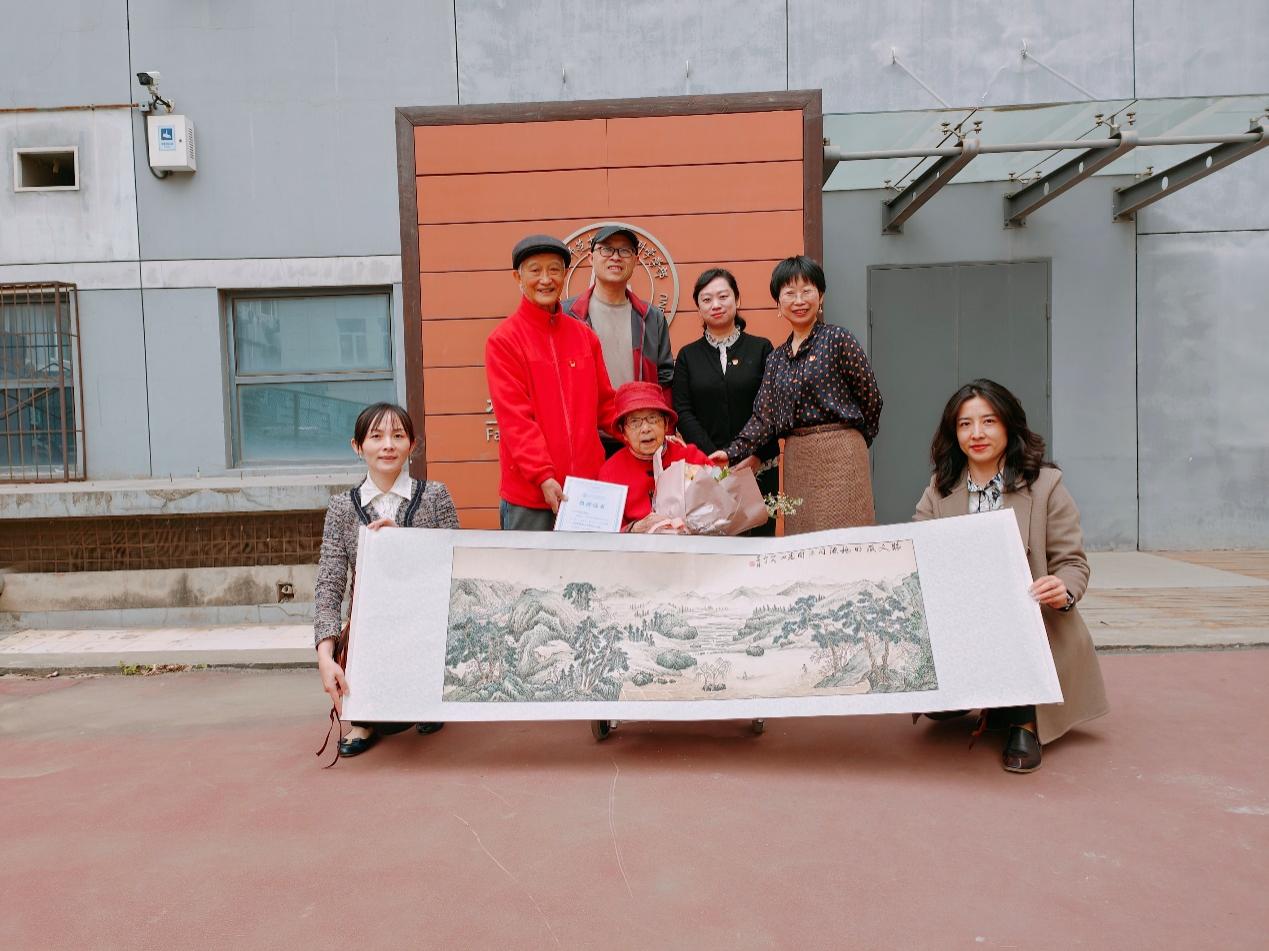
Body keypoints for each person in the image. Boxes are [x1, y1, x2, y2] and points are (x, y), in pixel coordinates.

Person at [913, 379, 1109, 773]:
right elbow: (918, 553)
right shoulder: (940, 489)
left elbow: (1073, 563)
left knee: (1013, 613)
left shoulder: (1047, 485)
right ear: (954, 433)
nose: (977, 433)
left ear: (1009, 426)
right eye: (965, 424)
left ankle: (1023, 721)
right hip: (966, 617)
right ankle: (987, 697)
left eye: (989, 421)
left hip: (1031, 620)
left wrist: (1063, 589)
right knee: (937, 706)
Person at [314, 402, 460, 758]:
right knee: (363, 652)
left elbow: (455, 564)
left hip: (423, 623)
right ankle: (363, 719)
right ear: (357, 446)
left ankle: (427, 701)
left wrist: (405, 541)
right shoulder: (341, 507)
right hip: (370, 629)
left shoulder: (435, 496)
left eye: (398, 436)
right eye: (376, 437)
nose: (388, 445)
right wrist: (324, 654)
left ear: (412, 444)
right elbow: (330, 583)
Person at [711, 256, 882, 534]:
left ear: (820, 296)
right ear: (778, 303)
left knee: (845, 540)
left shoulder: (839, 339)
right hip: (797, 460)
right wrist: (730, 453)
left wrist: (857, 439)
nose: (799, 300)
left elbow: (871, 398)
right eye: (790, 293)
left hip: (842, 454)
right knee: (802, 540)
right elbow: (763, 417)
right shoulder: (776, 358)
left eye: (807, 291)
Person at [485, 234, 618, 531]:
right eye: (535, 270)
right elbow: (516, 419)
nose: (545, 279)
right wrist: (542, 474)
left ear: (565, 274)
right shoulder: (504, 341)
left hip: (586, 492)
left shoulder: (585, 337)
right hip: (530, 495)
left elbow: (607, 405)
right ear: (518, 277)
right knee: (529, 565)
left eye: (554, 270)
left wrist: (646, 432)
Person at [672, 267, 778, 536]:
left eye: (723, 296)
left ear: (737, 299)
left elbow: (772, 408)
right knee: (713, 543)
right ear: (698, 308)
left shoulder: (762, 349)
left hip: (757, 464)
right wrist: (714, 458)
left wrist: (754, 455)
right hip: (707, 470)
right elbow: (682, 410)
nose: (716, 305)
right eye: (707, 299)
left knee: (759, 544)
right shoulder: (687, 356)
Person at [563, 225, 673, 457]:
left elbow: (665, 378)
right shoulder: (567, 314)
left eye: (624, 250)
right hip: (584, 435)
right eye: (607, 249)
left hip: (638, 435)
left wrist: (664, 431)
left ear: (635, 260)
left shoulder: (651, 317)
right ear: (591, 258)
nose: (615, 257)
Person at [598, 381, 711, 532]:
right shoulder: (610, 473)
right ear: (623, 431)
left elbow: (719, 496)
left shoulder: (690, 456)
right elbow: (607, 530)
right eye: (635, 422)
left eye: (652, 419)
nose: (645, 428)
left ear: (666, 424)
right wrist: (634, 528)